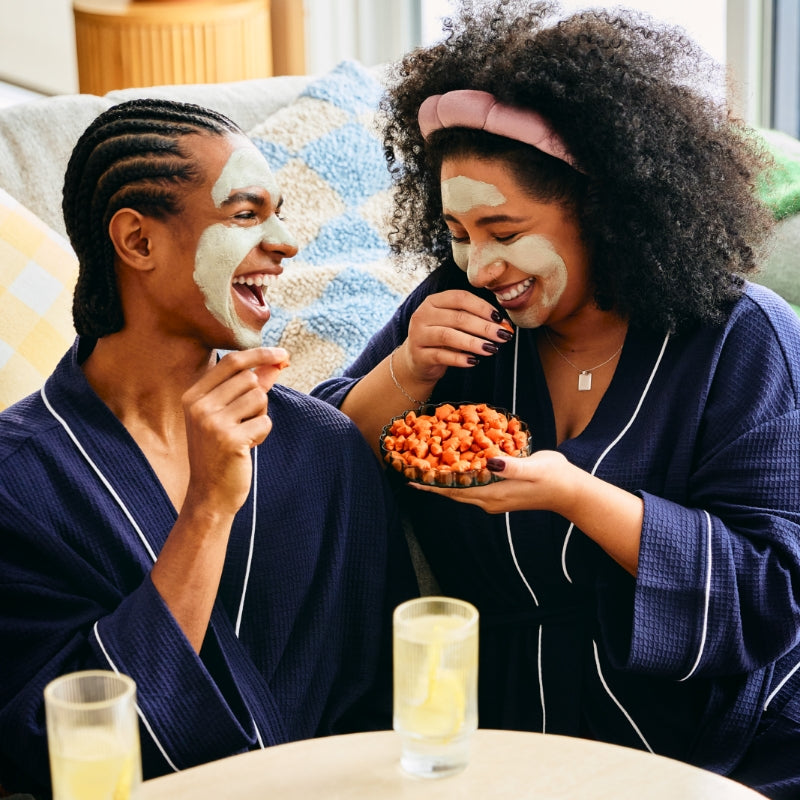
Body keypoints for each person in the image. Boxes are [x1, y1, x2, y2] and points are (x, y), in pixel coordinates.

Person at [310, 2, 800, 797]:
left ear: (604, 206)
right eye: (459, 233)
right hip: (501, 722)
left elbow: (773, 585)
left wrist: (574, 494)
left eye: (504, 230)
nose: (478, 265)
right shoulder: (451, 315)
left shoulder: (744, 340)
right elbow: (313, 464)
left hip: (720, 731)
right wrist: (405, 371)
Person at [0, 98, 415, 797]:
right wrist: (206, 512)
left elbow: (387, 705)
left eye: (278, 213)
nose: (285, 242)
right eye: (247, 214)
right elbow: (42, 749)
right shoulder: (18, 481)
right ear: (136, 241)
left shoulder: (323, 448)